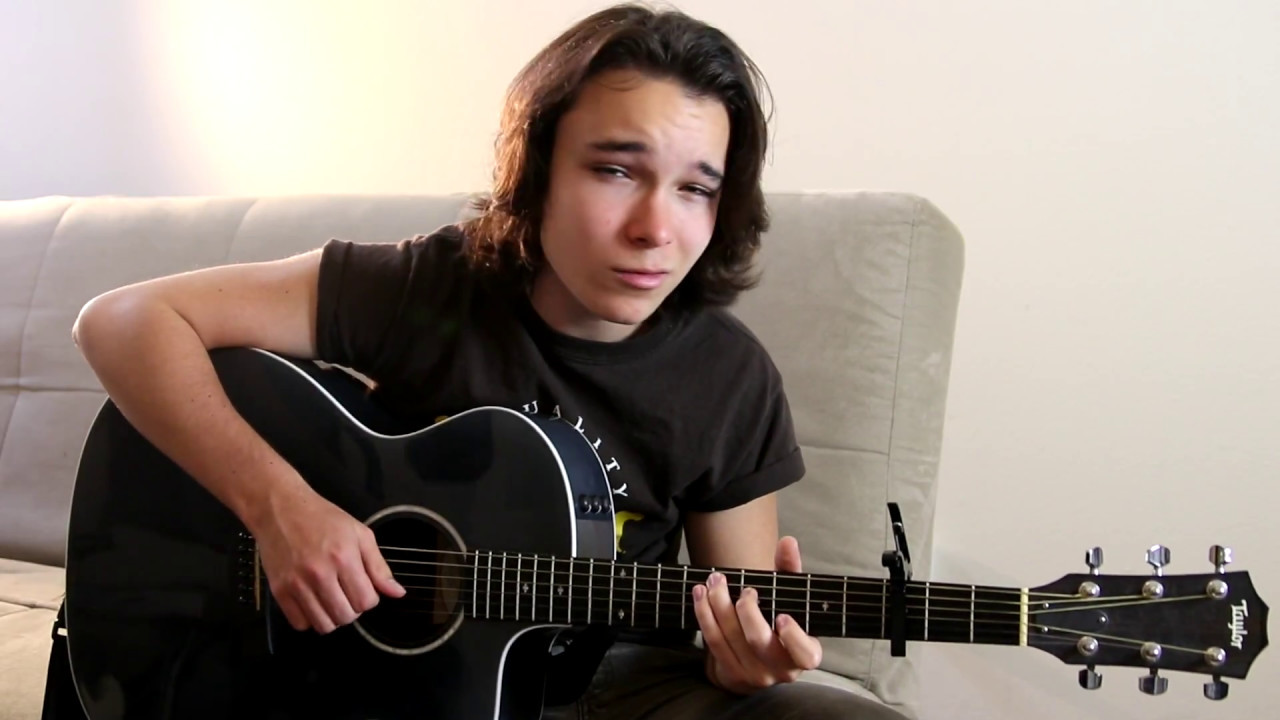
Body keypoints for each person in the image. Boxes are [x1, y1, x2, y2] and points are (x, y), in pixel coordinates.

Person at [70, 3, 906, 719]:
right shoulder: (429, 286)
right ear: (538, 170)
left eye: (696, 189)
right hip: (374, 679)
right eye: (616, 170)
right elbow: (123, 321)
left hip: (606, 686)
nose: (657, 229)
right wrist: (279, 507)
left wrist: (742, 664)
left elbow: (740, 619)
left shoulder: (730, 380)